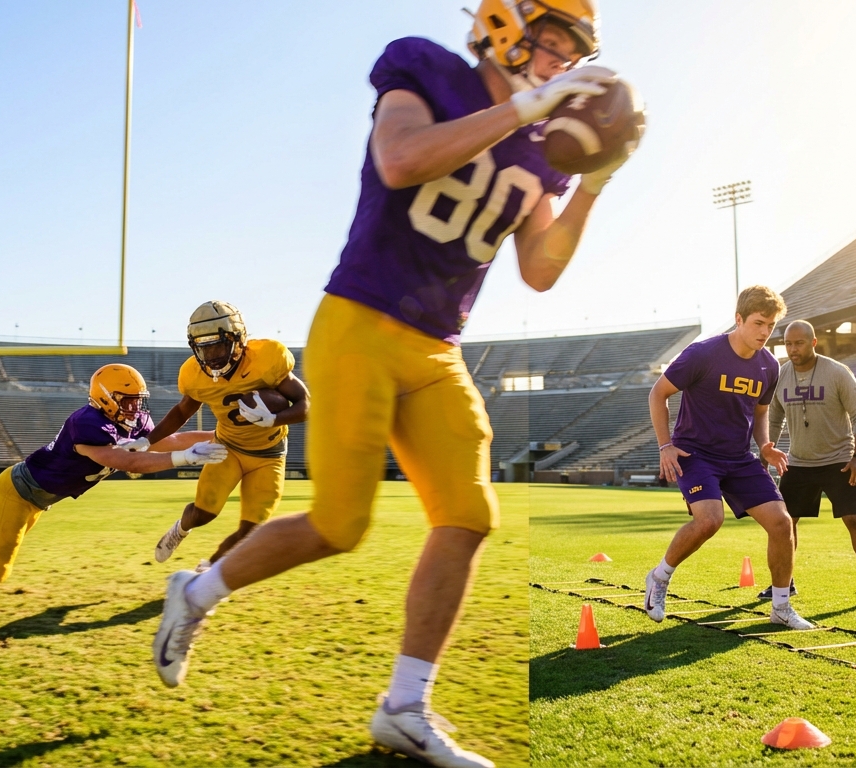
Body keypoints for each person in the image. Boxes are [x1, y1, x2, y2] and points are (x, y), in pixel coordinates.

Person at [151, 2, 633, 766]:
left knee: (469, 514)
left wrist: (594, 186)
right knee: (339, 525)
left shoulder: (543, 145)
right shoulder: (424, 68)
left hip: (437, 349)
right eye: (549, 39)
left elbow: (539, 269)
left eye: (569, 52)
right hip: (360, 322)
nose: (555, 61)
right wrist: (518, 110)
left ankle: (405, 707)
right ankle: (197, 592)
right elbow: (400, 159)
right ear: (505, 21)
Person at [0, 364, 227, 603]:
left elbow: (168, 439)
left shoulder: (126, 419)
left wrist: (220, 436)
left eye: (138, 400)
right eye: (128, 400)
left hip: (35, 498)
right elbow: (128, 461)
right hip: (19, 492)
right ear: (106, 397)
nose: (135, 407)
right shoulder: (87, 423)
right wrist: (186, 458)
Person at [646, 286, 815, 631]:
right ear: (738, 320)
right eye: (758, 323)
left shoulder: (769, 364)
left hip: (739, 458)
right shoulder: (702, 354)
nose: (765, 333)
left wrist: (765, 444)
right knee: (709, 520)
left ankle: (781, 607)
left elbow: (761, 410)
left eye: (770, 325)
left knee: (782, 523)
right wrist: (665, 446)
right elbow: (658, 393)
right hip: (696, 454)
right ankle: (659, 578)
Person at [148, 301, 310, 571]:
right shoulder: (194, 374)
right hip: (227, 449)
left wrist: (274, 419)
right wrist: (147, 440)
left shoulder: (267, 358)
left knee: (251, 530)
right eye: (204, 347)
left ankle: (207, 571)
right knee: (203, 513)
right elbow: (181, 412)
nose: (211, 355)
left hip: (269, 457)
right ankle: (181, 528)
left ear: (238, 339)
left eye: (218, 345)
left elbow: (306, 404)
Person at [766, 320, 856, 607]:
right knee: (785, 523)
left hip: (838, 461)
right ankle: (784, 583)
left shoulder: (837, 372)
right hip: (798, 463)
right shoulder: (781, 375)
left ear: (813, 342)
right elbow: (774, 419)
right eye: (788, 344)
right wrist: (766, 450)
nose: (793, 349)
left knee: (854, 520)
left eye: (799, 343)